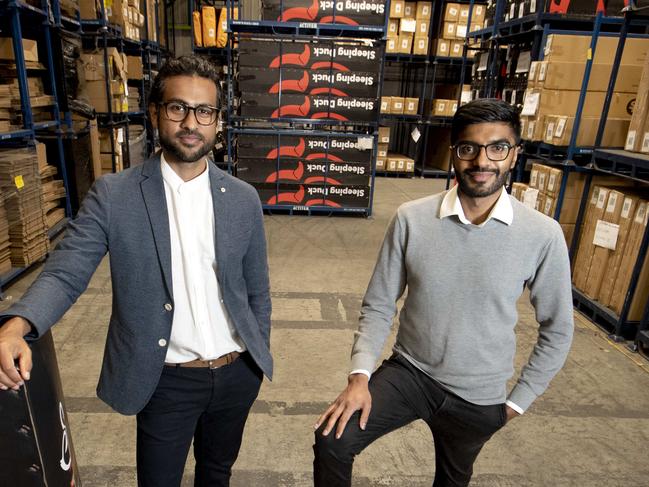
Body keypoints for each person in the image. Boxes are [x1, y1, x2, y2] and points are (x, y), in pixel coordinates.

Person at [0, 55, 272, 487]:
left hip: (237, 374)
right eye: (177, 108)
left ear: (217, 122)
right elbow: (65, 272)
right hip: (166, 380)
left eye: (204, 112)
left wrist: (256, 355)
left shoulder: (242, 199)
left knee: (217, 473)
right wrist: (18, 325)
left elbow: (258, 289)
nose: (191, 123)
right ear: (155, 113)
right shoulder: (116, 195)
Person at [313, 98, 574, 486]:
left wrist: (518, 401)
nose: (482, 161)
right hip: (411, 373)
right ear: (454, 153)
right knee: (332, 440)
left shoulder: (542, 234)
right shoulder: (412, 219)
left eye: (497, 148)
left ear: (514, 155)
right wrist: (360, 376)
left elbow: (558, 329)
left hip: (479, 394)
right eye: (469, 148)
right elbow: (379, 305)